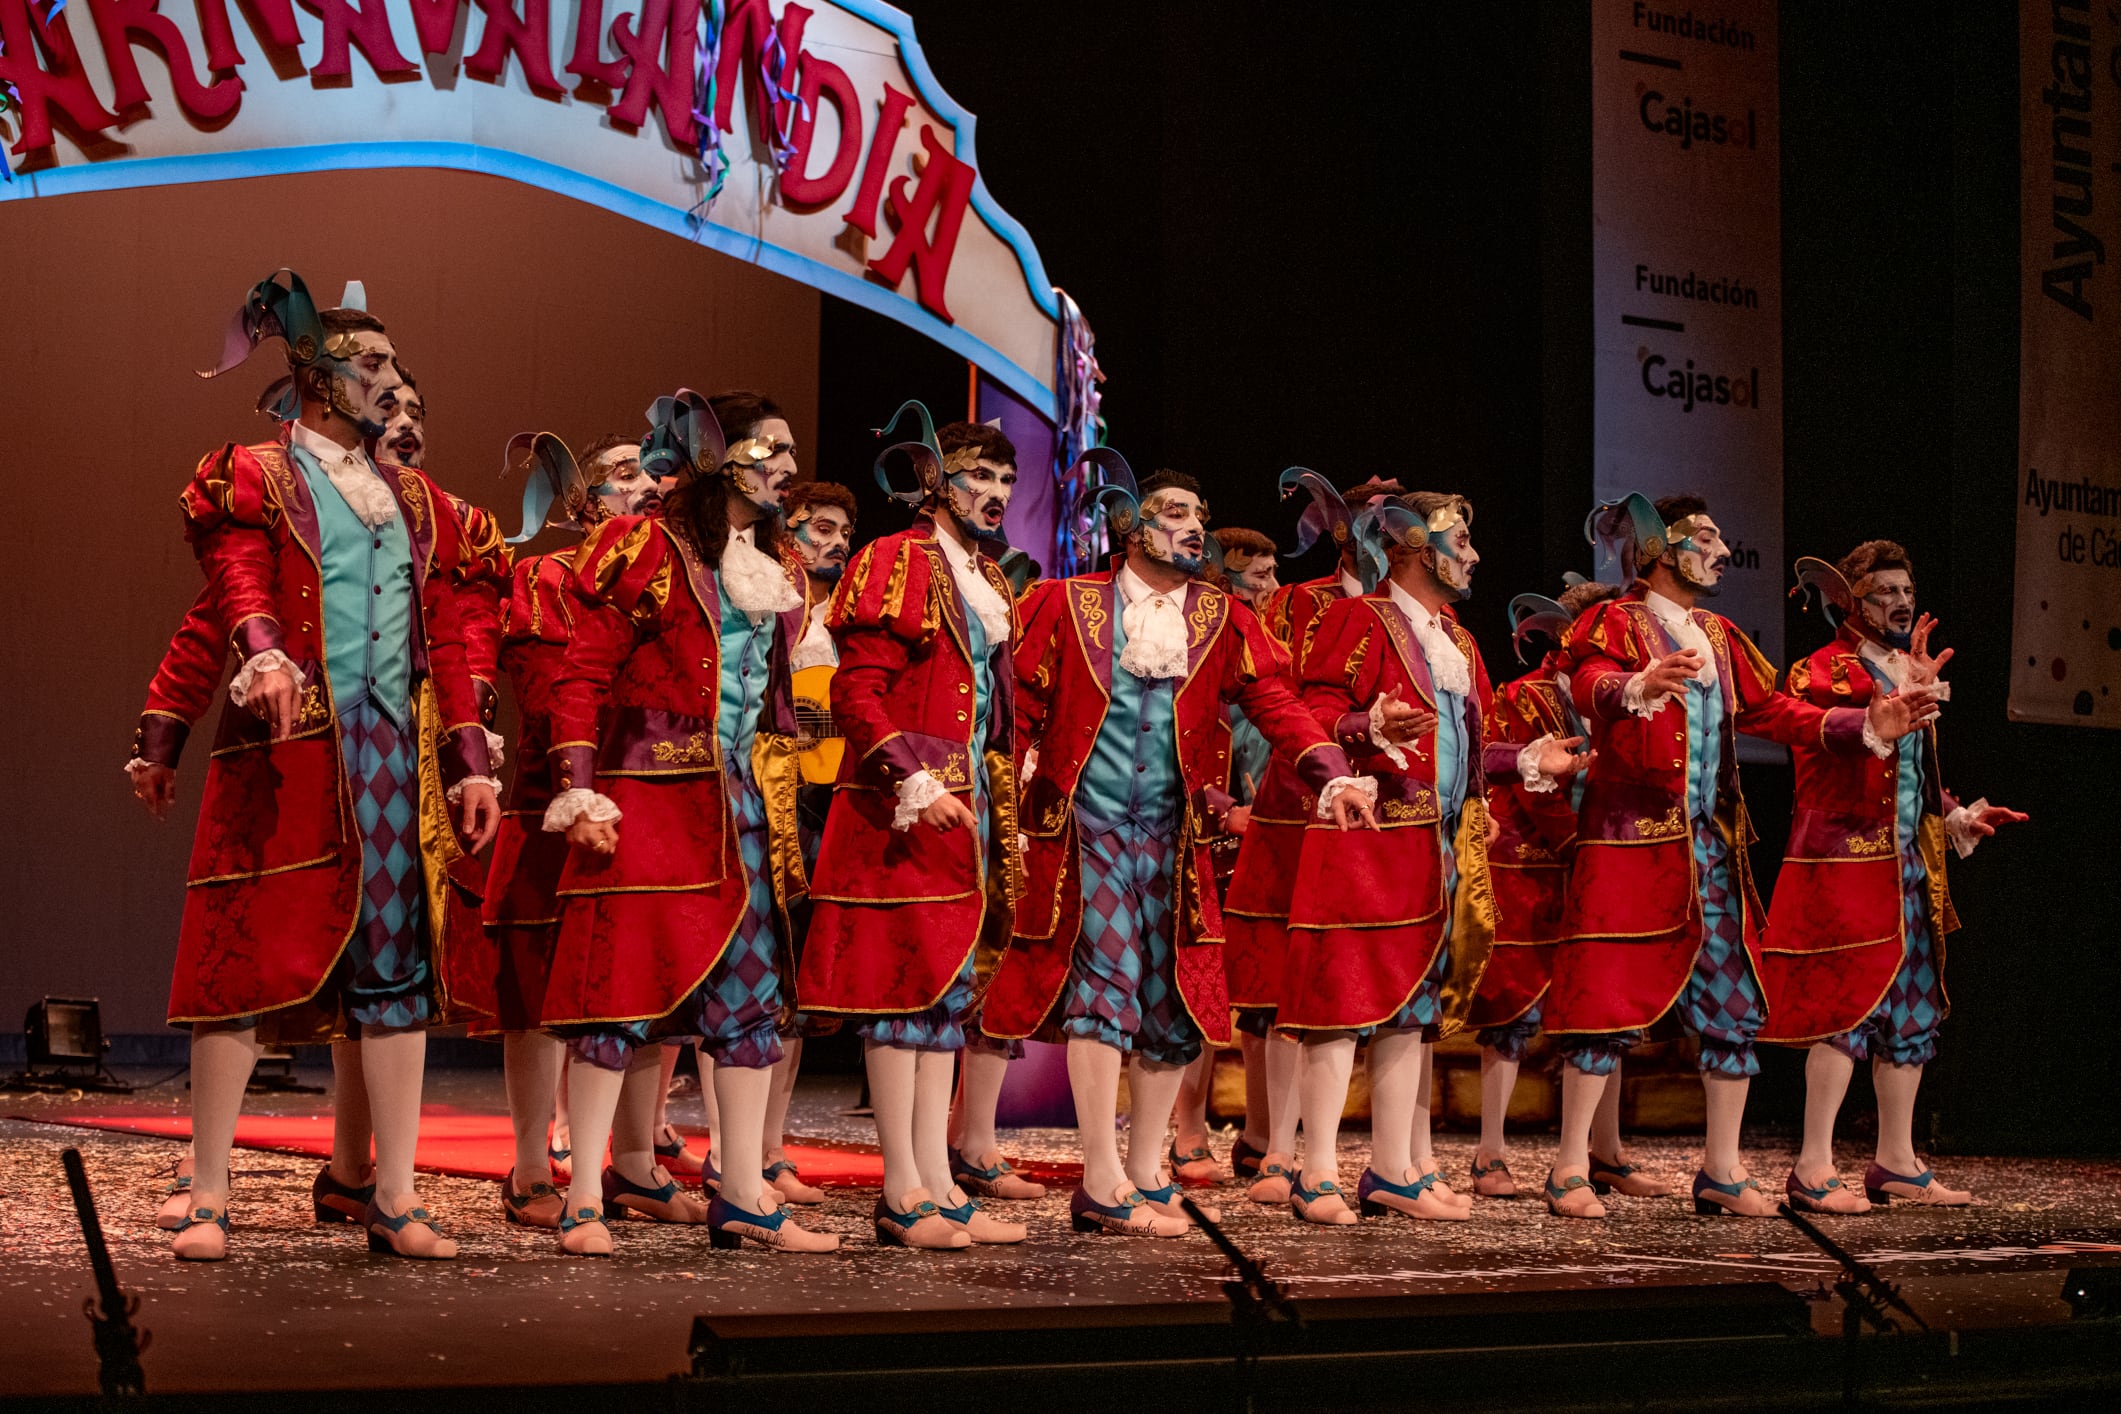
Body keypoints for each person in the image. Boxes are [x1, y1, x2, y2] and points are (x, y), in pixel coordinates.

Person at [158, 271, 500, 1260]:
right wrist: (261, 649)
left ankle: (394, 1195)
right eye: (373, 364)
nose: (392, 380)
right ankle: (212, 1192)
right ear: (317, 377)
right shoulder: (258, 474)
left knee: (394, 976)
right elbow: (234, 576)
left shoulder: (419, 502)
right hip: (290, 749)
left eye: (393, 363)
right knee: (243, 969)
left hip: (391, 757)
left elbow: (455, 637)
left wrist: (470, 762)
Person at [984, 454, 1389, 1236]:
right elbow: (1020, 703)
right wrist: (1017, 774)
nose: (1191, 526)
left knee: (1172, 1005)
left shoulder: (1219, 615)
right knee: (1107, 989)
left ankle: (1144, 1170)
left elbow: (1275, 702)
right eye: (1172, 513)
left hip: (1177, 840)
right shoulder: (1066, 604)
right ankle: (1100, 1178)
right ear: (1130, 525)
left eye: (1196, 514)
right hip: (1088, 828)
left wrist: (1331, 774)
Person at [1541, 494, 1942, 1220]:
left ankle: (1721, 1171)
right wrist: (1633, 685)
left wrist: (1862, 724)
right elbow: (1586, 681)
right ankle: (1570, 1166)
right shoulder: (1615, 621)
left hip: (1710, 846)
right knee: (1604, 997)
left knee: (1732, 1002)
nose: (1723, 552)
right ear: (1661, 549)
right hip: (1630, 840)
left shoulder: (1720, 636)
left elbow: (1770, 713)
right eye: (1706, 539)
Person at [541, 389, 837, 1254]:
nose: (786, 464)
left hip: (741, 806)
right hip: (645, 799)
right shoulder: (647, 547)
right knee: (617, 999)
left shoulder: (773, 558)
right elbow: (580, 673)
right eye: (768, 449)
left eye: (787, 449)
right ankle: (585, 1199)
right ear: (718, 456)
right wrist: (580, 788)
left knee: (749, 1006)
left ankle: (743, 1193)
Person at [1278, 494, 1591, 1224]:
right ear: (1414, 546)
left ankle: (1390, 1169)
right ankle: (1315, 1170)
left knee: (1411, 1012)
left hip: (1435, 844)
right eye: (1461, 540)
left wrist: (1528, 758)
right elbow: (1306, 708)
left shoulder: (1456, 637)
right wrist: (1365, 724)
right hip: (1366, 834)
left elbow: (1474, 749)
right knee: (1338, 1002)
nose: (1474, 555)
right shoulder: (1360, 619)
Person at [799, 408, 1029, 1247]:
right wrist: (911, 775)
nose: (996, 493)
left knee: (943, 1002)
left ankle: (938, 1182)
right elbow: (855, 690)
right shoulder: (898, 559)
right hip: (898, 809)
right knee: (901, 999)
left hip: (962, 810)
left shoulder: (985, 576)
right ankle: (901, 1190)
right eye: (978, 477)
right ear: (937, 481)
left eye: (1005, 480)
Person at [1765, 542, 2024, 1211]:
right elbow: (1805, 730)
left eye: (1905, 590)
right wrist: (1874, 714)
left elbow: (1909, 779)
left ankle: (1896, 1162)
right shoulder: (1820, 670)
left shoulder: (1905, 668)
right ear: (1848, 600)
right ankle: (1812, 1165)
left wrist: (1956, 815)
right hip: (1845, 863)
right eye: (1883, 593)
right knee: (1844, 1012)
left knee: (1912, 1012)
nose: (1900, 603)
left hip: (1908, 865)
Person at [473, 431, 677, 1230]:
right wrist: (575, 785)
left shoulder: (675, 577)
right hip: (548, 804)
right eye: (626, 475)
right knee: (538, 990)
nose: (648, 485)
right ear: (587, 502)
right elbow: (550, 685)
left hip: (649, 805)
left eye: (653, 471)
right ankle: (531, 1162)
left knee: (645, 985)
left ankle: (634, 1162)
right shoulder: (545, 578)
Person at [1463, 580, 1638, 1200]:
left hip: (1599, 864)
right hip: (1530, 866)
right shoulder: (1523, 695)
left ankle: (1607, 1152)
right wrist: (1578, 849)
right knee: (1512, 1012)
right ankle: (1489, 1154)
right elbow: (1531, 788)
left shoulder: (1624, 696)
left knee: (1606, 1008)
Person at [1167, 525, 1281, 1185]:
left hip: (1265, 837)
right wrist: (1223, 809)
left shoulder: (1269, 645)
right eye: (1257, 576)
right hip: (1209, 834)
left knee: (1263, 995)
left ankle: (1259, 1134)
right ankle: (1187, 1130)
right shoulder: (1203, 645)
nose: (1269, 587)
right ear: (1223, 580)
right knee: (1199, 987)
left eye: (1270, 573)